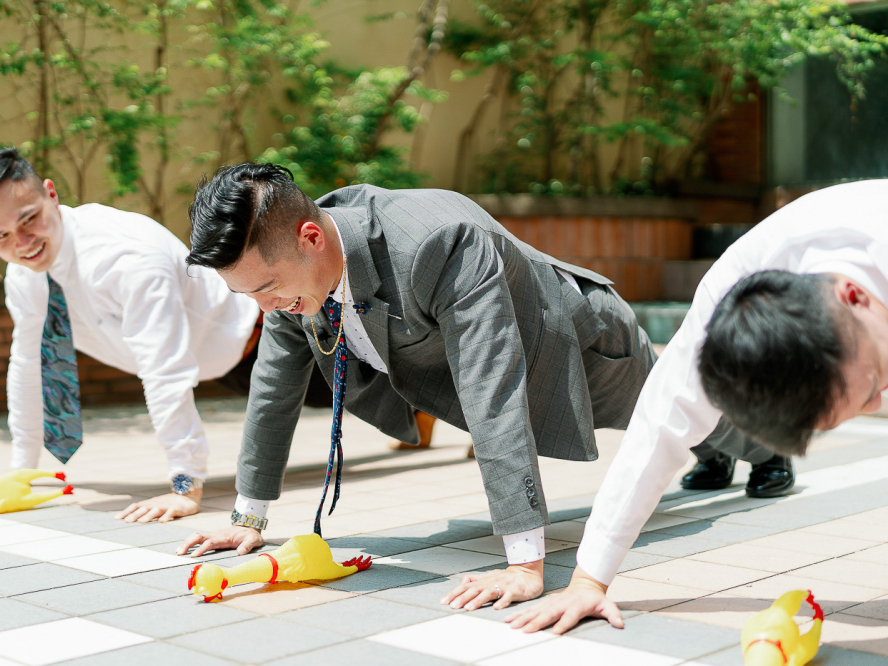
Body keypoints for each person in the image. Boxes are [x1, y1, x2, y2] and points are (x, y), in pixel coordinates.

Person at [172, 162, 771, 607]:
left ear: (310, 237)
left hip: (573, 343)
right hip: (480, 363)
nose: (265, 306)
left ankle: (765, 452)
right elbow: (274, 386)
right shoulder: (287, 280)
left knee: (678, 409)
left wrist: (524, 562)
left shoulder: (438, 240)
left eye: (266, 287)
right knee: (683, 429)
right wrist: (247, 518)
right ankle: (713, 455)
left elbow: (494, 386)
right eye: (246, 294)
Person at [506, 179, 888, 634]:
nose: (883, 399)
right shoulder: (729, 307)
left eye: (874, 386)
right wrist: (590, 579)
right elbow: (658, 428)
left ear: (855, 296)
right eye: (869, 402)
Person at [0, 147, 262, 523]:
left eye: (29, 219)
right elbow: (30, 365)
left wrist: (184, 485)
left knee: (351, 396)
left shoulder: (126, 256)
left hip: (260, 341)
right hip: (211, 363)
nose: (22, 243)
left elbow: (164, 369)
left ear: (51, 193)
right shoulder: (24, 275)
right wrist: (20, 475)